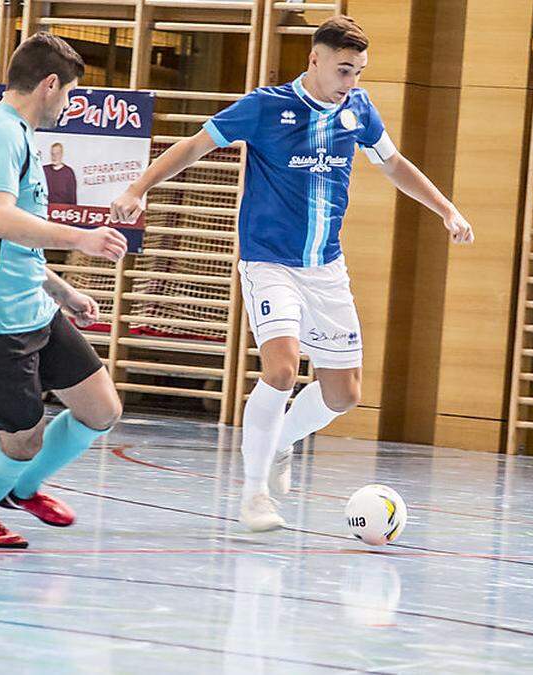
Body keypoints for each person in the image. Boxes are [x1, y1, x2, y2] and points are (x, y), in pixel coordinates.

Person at [111, 16, 474, 532]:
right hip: (269, 261)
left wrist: (446, 210)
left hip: (325, 266)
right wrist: (138, 189)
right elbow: (193, 145)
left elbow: (394, 164)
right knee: (281, 370)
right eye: (345, 70)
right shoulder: (266, 107)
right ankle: (255, 495)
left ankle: (280, 440)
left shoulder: (358, 110)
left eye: (359, 71)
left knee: (343, 394)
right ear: (316, 60)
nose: (352, 81)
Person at [0, 33, 128, 549]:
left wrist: (62, 291)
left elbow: (8, 243)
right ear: (49, 84)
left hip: (33, 308)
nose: (67, 104)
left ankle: (20, 489)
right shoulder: (0, 133)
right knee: (22, 441)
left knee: (101, 408)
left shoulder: (16, 135)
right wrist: (81, 239)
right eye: (67, 92)